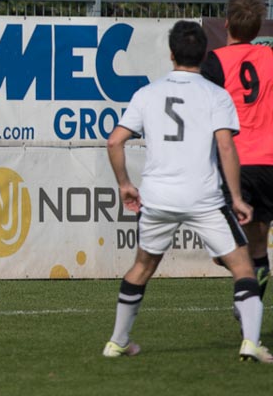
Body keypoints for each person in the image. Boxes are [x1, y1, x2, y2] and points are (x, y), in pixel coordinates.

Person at [103, 20, 271, 363]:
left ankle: (117, 342)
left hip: (158, 197)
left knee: (142, 267)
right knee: (243, 266)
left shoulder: (148, 94)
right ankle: (251, 342)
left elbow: (115, 141)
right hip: (203, 197)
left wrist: (125, 184)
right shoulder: (216, 95)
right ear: (204, 54)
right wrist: (237, 198)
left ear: (171, 54)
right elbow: (226, 147)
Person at [201, 0, 273, 298]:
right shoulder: (270, 57)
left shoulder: (215, 61)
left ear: (226, 23)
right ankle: (250, 305)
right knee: (258, 245)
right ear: (257, 29)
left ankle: (246, 301)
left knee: (228, 248)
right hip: (268, 162)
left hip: (235, 162)